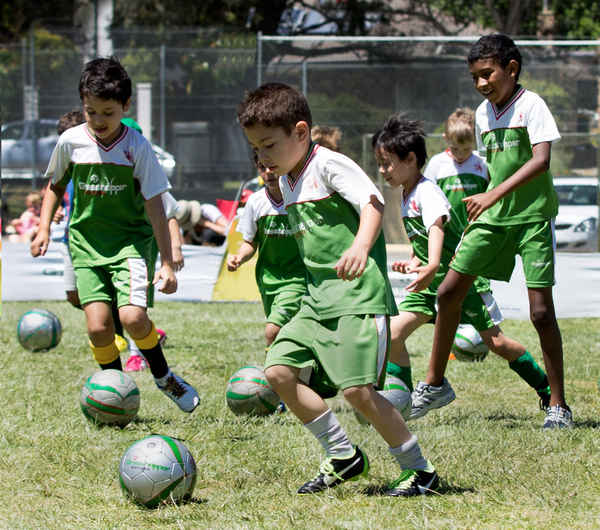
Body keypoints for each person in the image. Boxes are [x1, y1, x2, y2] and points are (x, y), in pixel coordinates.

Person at [237, 82, 439, 497]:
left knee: (359, 392)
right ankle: (342, 455)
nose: (263, 157)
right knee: (277, 371)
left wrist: (361, 246)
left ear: (300, 132)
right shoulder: (286, 180)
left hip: (357, 298)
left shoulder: (327, 164)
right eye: (256, 148)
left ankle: (420, 470)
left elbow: (372, 204)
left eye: (269, 145)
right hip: (316, 301)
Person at [414, 33, 572, 429]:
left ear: (511, 69)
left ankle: (558, 405)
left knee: (540, 313)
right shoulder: (483, 114)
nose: (482, 83)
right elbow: (495, 169)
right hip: (493, 217)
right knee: (449, 291)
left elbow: (541, 161)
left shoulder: (532, 105)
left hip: (533, 218)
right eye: (475, 77)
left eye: (488, 74)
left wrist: (491, 194)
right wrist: (485, 201)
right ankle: (435, 384)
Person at [30, 57, 199, 413]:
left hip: (131, 244)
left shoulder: (137, 147)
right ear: (82, 106)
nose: (99, 121)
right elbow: (54, 185)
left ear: (125, 107)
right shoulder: (70, 142)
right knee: (97, 329)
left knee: (133, 319)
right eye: (91, 112)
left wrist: (167, 262)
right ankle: (117, 392)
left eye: (108, 112)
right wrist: (44, 227)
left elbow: (156, 206)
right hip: (85, 245)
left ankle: (164, 375)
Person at [372, 113, 552, 423]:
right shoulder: (406, 193)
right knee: (392, 334)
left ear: (411, 159)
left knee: (496, 342)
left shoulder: (426, 191)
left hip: (458, 281)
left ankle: (547, 388)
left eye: (387, 163)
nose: (382, 170)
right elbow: (425, 242)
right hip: (428, 284)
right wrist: (416, 262)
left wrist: (430, 263)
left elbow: (438, 228)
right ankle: (402, 401)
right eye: (380, 163)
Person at [227, 159, 307, 347]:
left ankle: (271, 373)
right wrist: (239, 257)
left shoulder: (301, 199)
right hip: (268, 280)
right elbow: (250, 242)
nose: (269, 172)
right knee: (288, 334)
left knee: (273, 330)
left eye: (273, 167)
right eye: (263, 168)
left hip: (298, 279)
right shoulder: (256, 202)